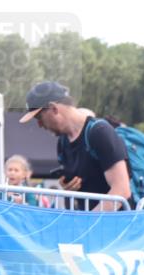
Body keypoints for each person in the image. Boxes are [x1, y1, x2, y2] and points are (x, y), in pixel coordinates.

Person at [19, 81, 130, 210]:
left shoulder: (99, 132)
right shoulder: (62, 142)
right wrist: (68, 188)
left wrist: (88, 224)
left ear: (54, 109)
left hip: (115, 225)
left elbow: (122, 190)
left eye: (39, 117)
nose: (39, 125)